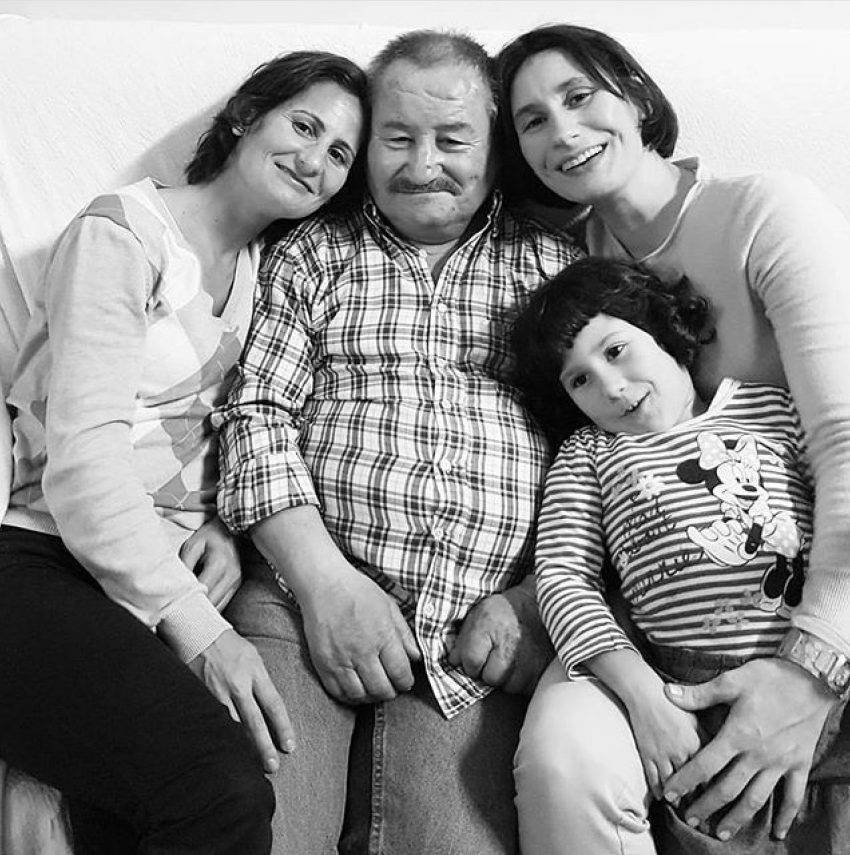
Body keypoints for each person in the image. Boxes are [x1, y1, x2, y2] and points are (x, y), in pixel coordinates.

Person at [213, 28, 582, 855]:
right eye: (398, 138)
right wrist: (325, 586)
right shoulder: (313, 253)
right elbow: (256, 414)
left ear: (496, 148)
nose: (423, 165)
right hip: (299, 591)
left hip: (479, 627)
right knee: (258, 829)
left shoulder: (552, 268)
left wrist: (540, 600)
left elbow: (601, 452)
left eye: (453, 140)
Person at [0, 50, 368, 854]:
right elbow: (83, 465)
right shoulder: (122, 233)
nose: (315, 159)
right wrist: (203, 630)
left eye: (341, 152)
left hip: (153, 590)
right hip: (45, 559)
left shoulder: (270, 274)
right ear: (245, 116)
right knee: (222, 792)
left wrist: (227, 530)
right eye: (304, 126)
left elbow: (249, 427)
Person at [496, 22, 850, 853]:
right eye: (533, 120)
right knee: (564, 761)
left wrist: (813, 666)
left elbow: (843, 442)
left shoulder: (763, 211)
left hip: (821, 597)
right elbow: (576, 539)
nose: (563, 131)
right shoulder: (567, 267)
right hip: (658, 633)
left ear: (632, 90)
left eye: (579, 96)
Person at [510, 256, 842, 854]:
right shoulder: (590, 454)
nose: (611, 387)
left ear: (662, 330)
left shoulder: (773, 407)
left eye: (616, 351)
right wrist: (640, 693)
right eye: (579, 380)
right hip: (691, 696)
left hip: (818, 669)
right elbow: (563, 577)